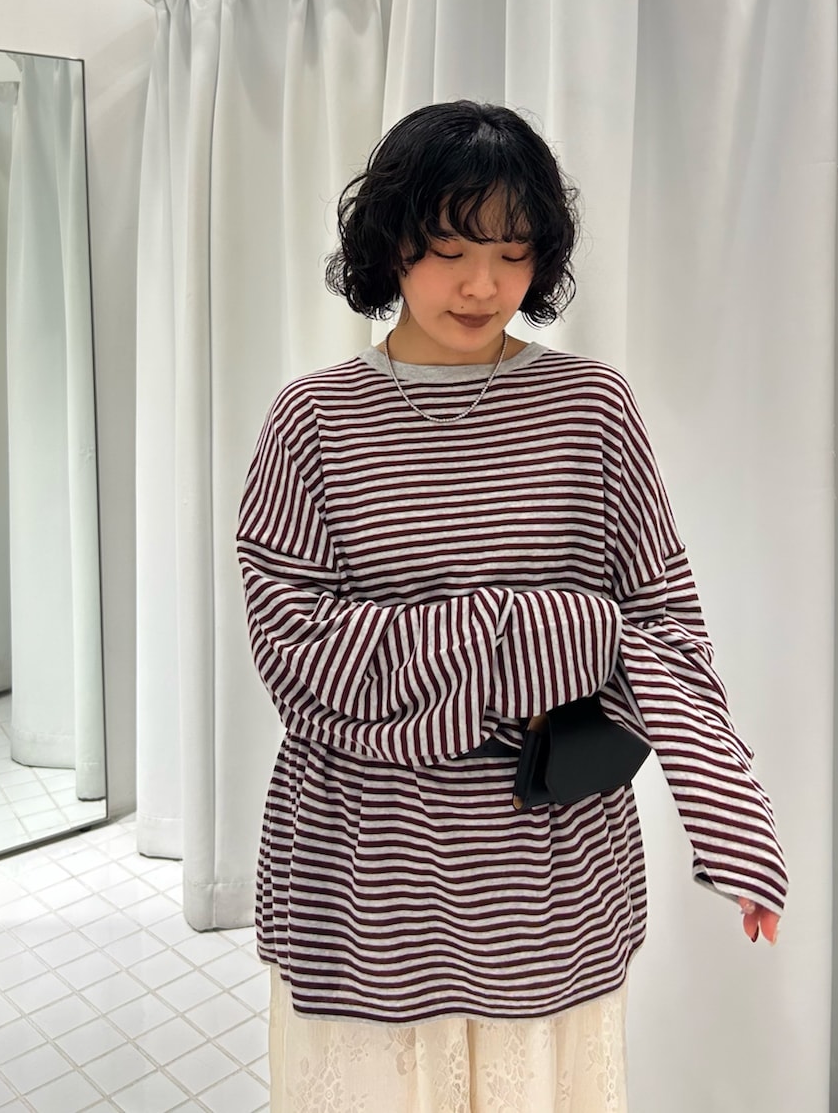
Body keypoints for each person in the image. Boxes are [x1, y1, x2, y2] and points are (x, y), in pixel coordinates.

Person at [235, 100, 787, 1112]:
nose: (483, 285)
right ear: (390, 243)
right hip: (369, 872)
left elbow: (665, 625)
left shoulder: (591, 406)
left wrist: (733, 823)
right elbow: (295, 649)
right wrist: (549, 633)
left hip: (549, 876)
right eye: (449, 248)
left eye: (513, 251)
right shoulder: (314, 419)